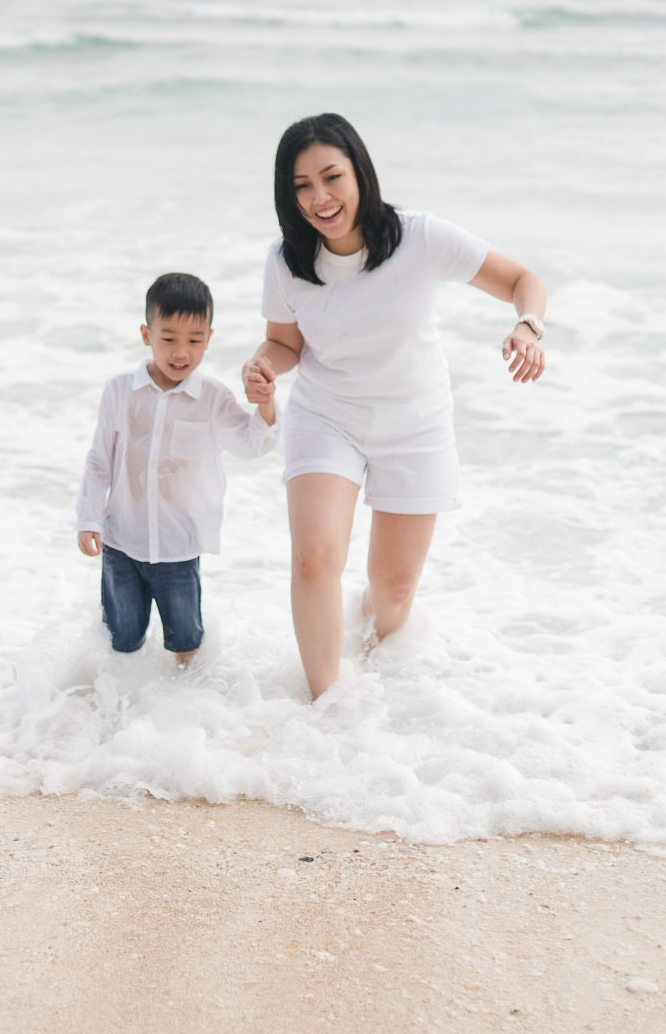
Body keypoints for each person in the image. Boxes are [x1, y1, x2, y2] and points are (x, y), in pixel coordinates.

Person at [242, 113, 546, 698]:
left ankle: (376, 658)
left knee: (393, 593)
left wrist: (528, 328)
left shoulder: (419, 237)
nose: (320, 198)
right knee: (313, 559)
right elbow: (284, 345)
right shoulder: (287, 261)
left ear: (360, 171)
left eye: (332, 177)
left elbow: (523, 280)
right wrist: (263, 368)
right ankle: (326, 705)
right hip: (327, 416)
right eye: (301, 186)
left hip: (414, 422)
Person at [77, 272, 278, 666]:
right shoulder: (120, 391)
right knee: (121, 639)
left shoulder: (212, 398)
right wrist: (89, 519)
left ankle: (183, 708)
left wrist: (266, 403)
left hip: (178, 546)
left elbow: (254, 443)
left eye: (195, 340)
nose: (181, 352)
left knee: (186, 640)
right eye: (168, 338)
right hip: (122, 541)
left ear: (209, 337)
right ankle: (118, 710)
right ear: (146, 334)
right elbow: (100, 458)